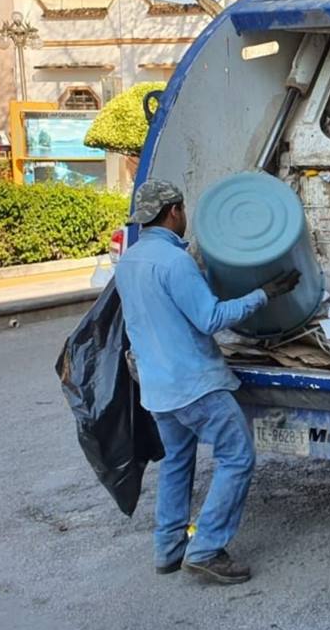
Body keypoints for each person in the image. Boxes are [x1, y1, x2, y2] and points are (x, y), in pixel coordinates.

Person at [114, 179, 299, 584]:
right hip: (194, 384)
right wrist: (263, 294)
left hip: (158, 388)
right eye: (182, 210)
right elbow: (210, 318)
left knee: (178, 463)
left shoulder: (130, 260)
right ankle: (207, 547)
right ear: (174, 211)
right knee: (237, 456)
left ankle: (168, 549)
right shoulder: (174, 262)